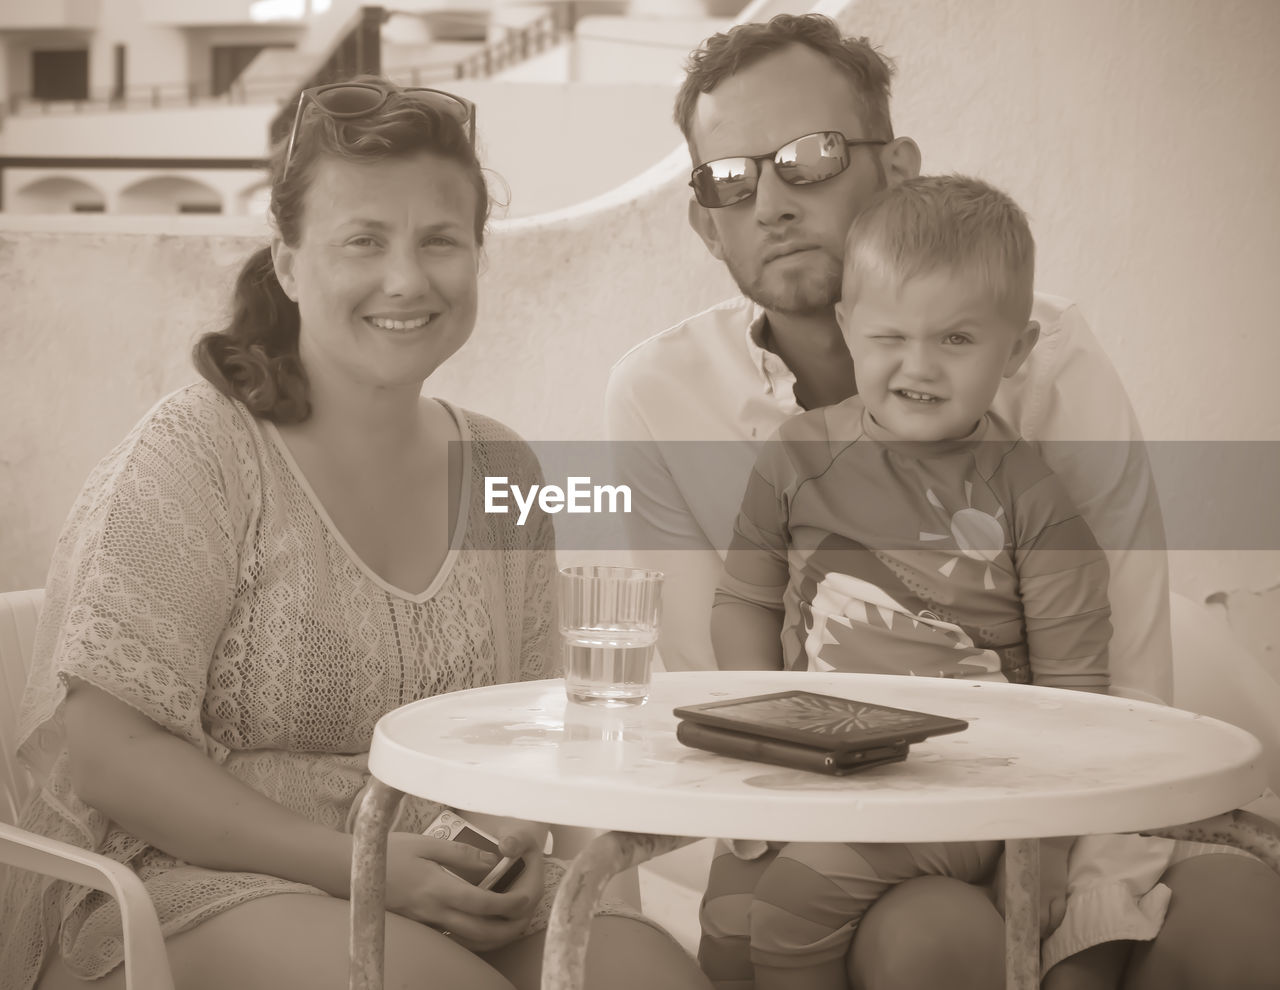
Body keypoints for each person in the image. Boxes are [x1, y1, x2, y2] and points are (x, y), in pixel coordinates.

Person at [604, 13, 1280, 990]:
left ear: (896, 168)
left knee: (1241, 921)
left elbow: (1120, 684)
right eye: (729, 179)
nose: (770, 202)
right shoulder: (659, 393)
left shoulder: (1047, 363)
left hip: (1063, 800)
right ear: (703, 220)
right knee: (935, 938)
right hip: (833, 836)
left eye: (808, 156)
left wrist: (1077, 918)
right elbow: (721, 687)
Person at [0, 79, 710, 990]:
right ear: (290, 264)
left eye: (440, 241)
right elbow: (108, 755)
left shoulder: (505, 468)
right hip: (193, 887)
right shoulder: (201, 451)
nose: (407, 279)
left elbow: (535, 732)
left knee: (652, 977)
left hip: (442, 882)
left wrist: (519, 841)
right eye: (363, 241)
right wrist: (361, 867)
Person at [713, 174, 1112, 990]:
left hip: (963, 785)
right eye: (891, 336)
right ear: (848, 327)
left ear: (1019, 350)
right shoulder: (796, 456)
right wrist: (761, 740)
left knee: (794, 903)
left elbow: (1078, 696)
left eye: (958, 341)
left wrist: (1043, 850)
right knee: (728, 925)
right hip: (814, 757)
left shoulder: (1032, 499)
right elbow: (744, 603)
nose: (918, 366)